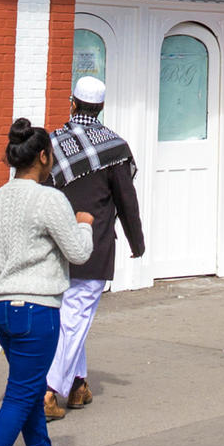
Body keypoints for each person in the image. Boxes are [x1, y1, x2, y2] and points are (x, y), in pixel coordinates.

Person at [0, 118, 95, 446]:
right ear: (42, 156)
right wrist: (85, 225)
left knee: (28, 389)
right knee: (21, 395)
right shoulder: (49, 199)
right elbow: (78, 252)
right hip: (37, 309)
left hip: (0, 308)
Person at [44, 75, 143, 420]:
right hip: (95, 244)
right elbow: (126, 199)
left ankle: (77, 385)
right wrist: (137, 242)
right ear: (101, 108)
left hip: (55, 243)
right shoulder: (114, 147)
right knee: (75, 317)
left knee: (69, 315)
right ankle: (51, 389)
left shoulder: (52, 144)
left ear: (72, 103)